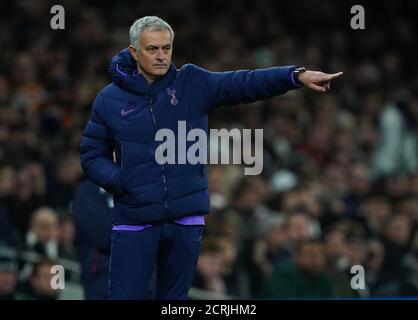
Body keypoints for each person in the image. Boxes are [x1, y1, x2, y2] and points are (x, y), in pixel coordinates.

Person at [80, 16, 343, 299]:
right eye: (152, 49)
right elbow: (92, 154)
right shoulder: (110, 99)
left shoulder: (192, 83)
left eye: (166, 48)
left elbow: (244, 83)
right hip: (134, 219)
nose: (161, 56)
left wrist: (295, 76)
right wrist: (121, 181)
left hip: (185, 221)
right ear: (134, 52)